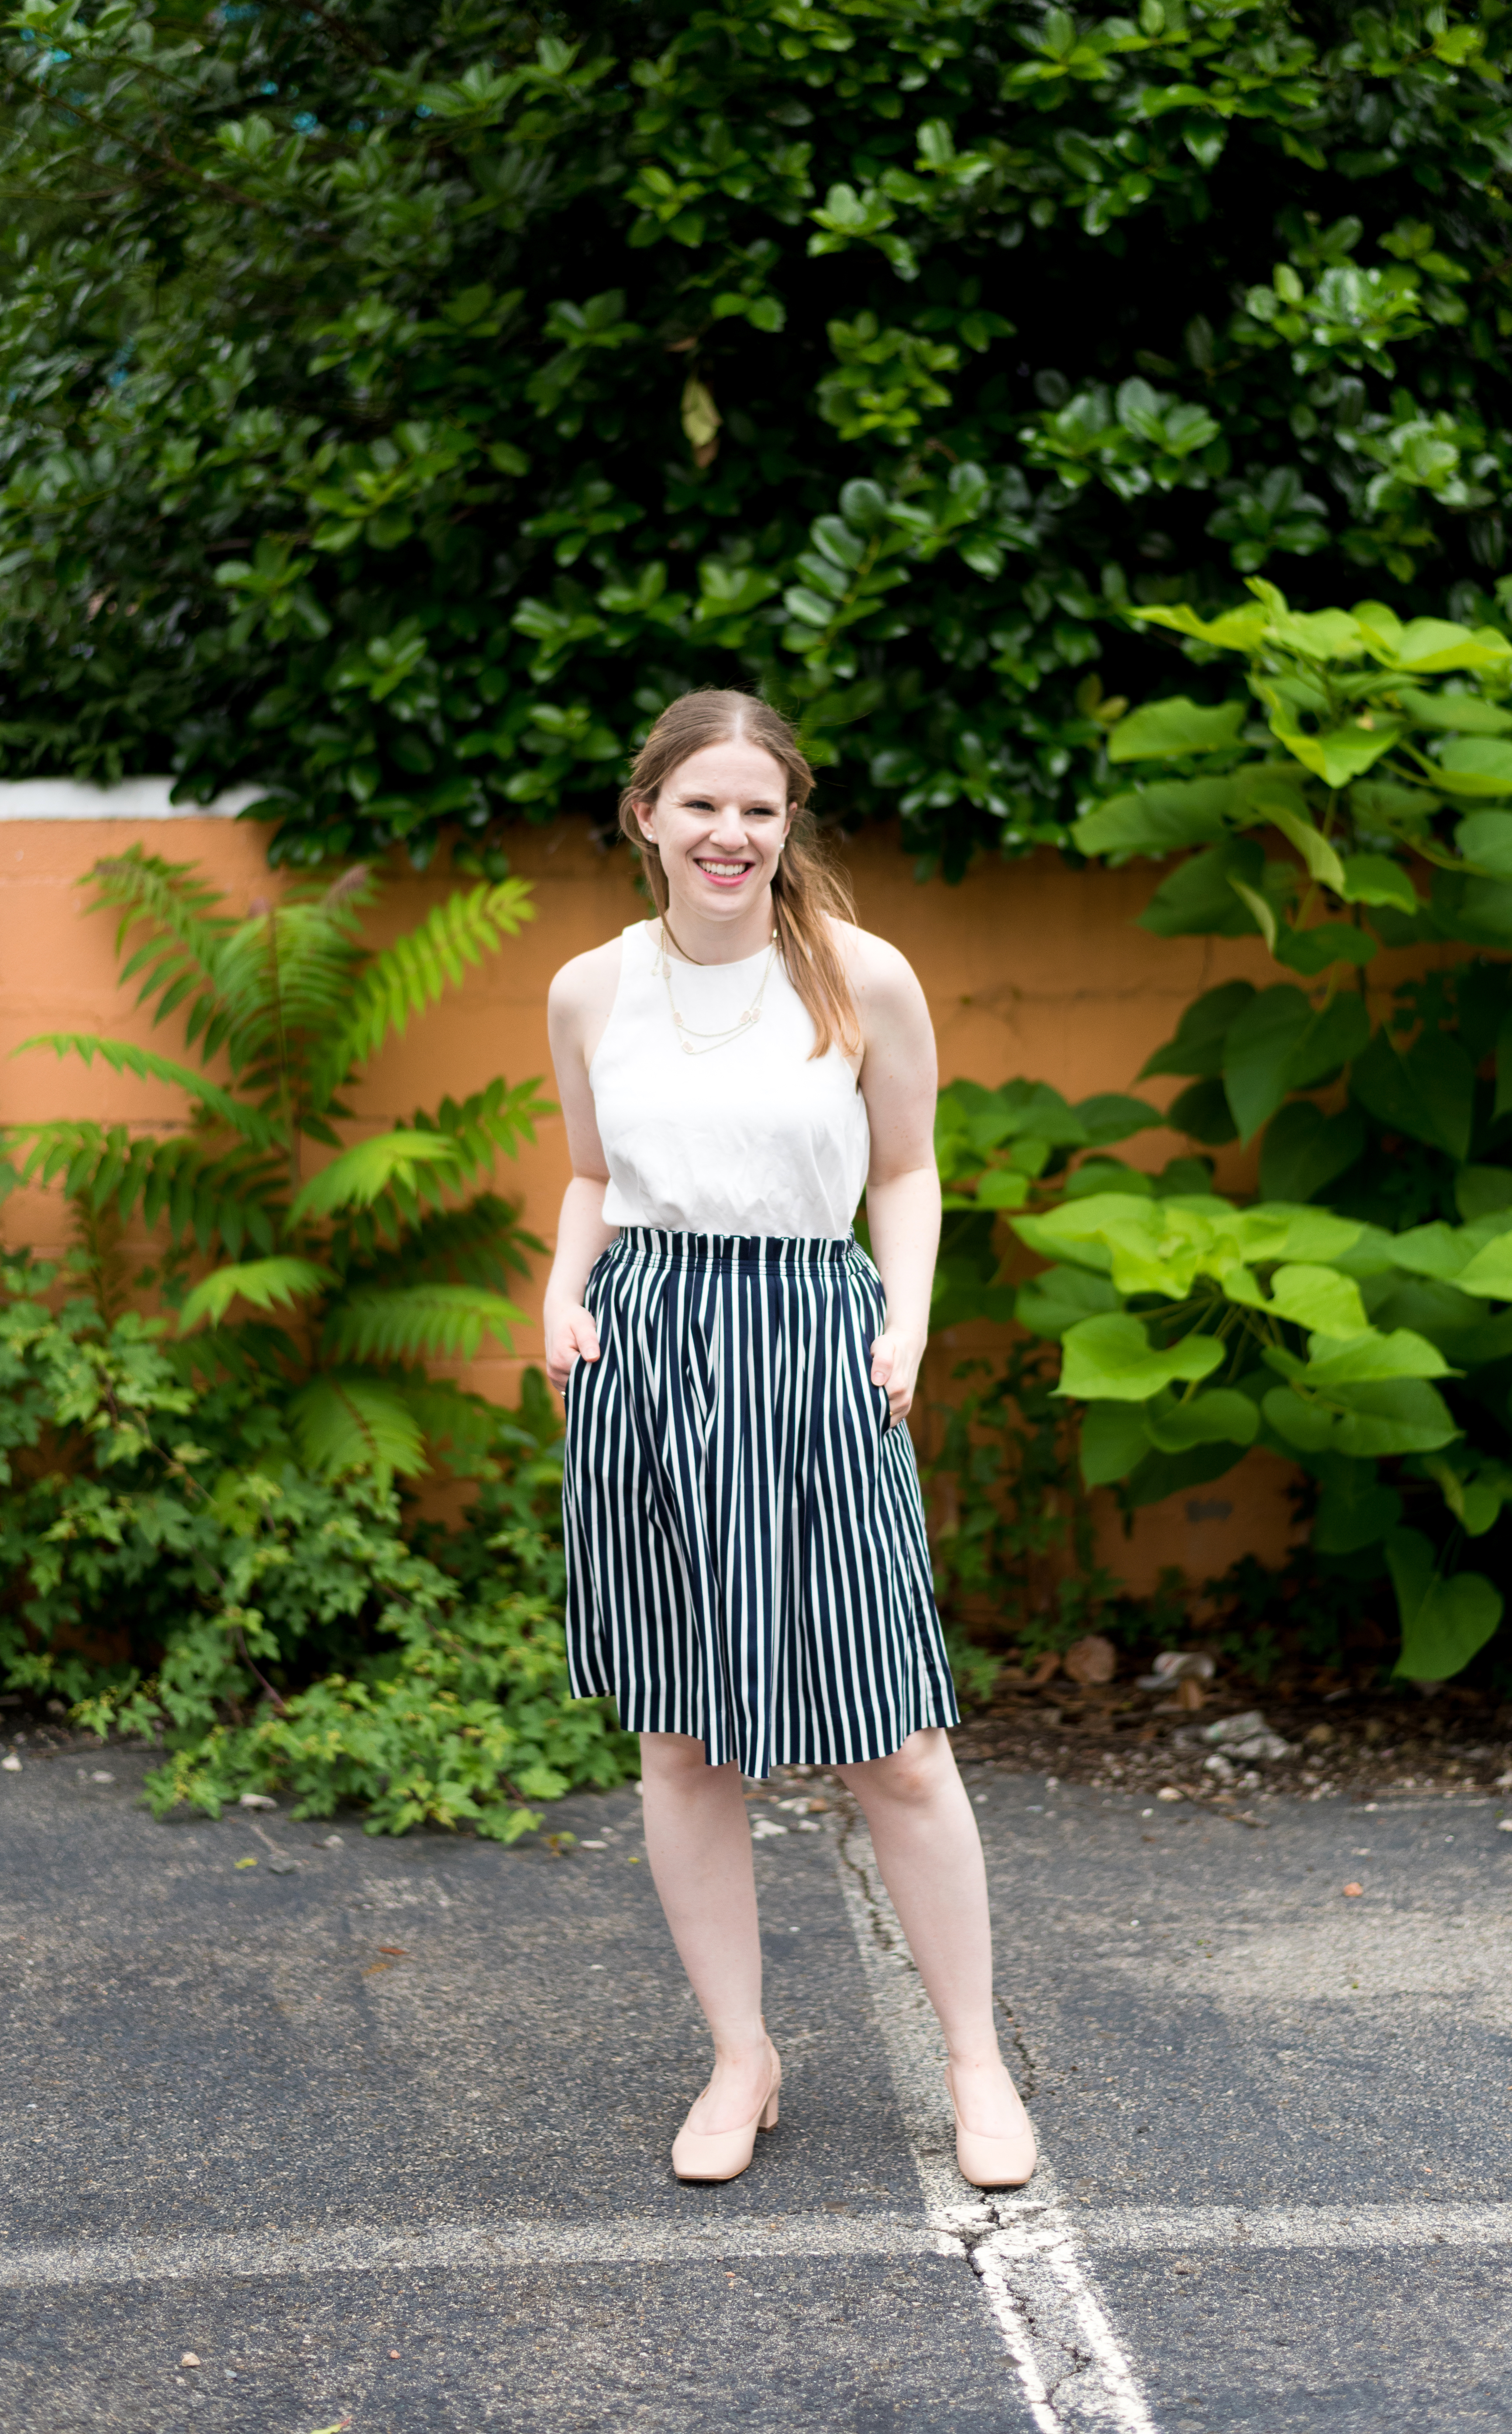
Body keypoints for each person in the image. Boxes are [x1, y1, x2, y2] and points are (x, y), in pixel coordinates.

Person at [543, 688, 1036, 2192]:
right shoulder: (588, 990)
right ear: (647, 817)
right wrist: (562, 1292)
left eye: (759, 808)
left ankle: (975, 2060)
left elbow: (910, 1168)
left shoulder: (860, 977)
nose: (731, 833)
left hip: (815, 1346)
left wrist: (905, 1320)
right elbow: (585, 1173)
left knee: (895, 1738)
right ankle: (741, 2057)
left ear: (787, 823)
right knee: (683, 1740)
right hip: (647, 1354)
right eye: (702, 804)